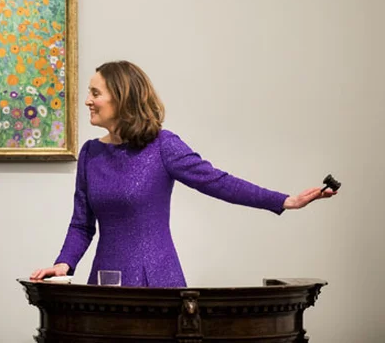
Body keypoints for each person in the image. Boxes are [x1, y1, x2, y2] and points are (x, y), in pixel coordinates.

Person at [31, 61, 337, 287]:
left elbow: (217, 182)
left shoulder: (163, 146)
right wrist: (63, 264)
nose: (87, 100)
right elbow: (82, 224)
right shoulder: (89, 153)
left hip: (157, 284)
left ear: (122, 97)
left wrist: (284, 200)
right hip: (104, 282)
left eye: (95, 93)